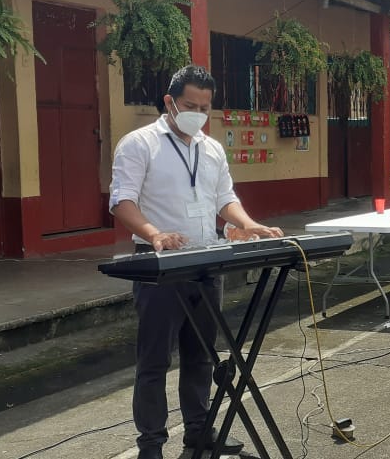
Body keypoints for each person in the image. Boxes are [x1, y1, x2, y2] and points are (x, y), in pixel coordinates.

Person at [109, 65, 284, 459]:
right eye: (191, 105)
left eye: (206, 107)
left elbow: (225, 199)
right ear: (169, 102)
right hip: (161, 268)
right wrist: (154, 234)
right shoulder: (139, 144)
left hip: (207, 264)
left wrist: (250, 225)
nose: (199, 114)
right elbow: (122, 200)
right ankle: (151, 445)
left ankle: (199, 432)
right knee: (154, 361)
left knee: (202, 355)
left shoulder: (211, 148)